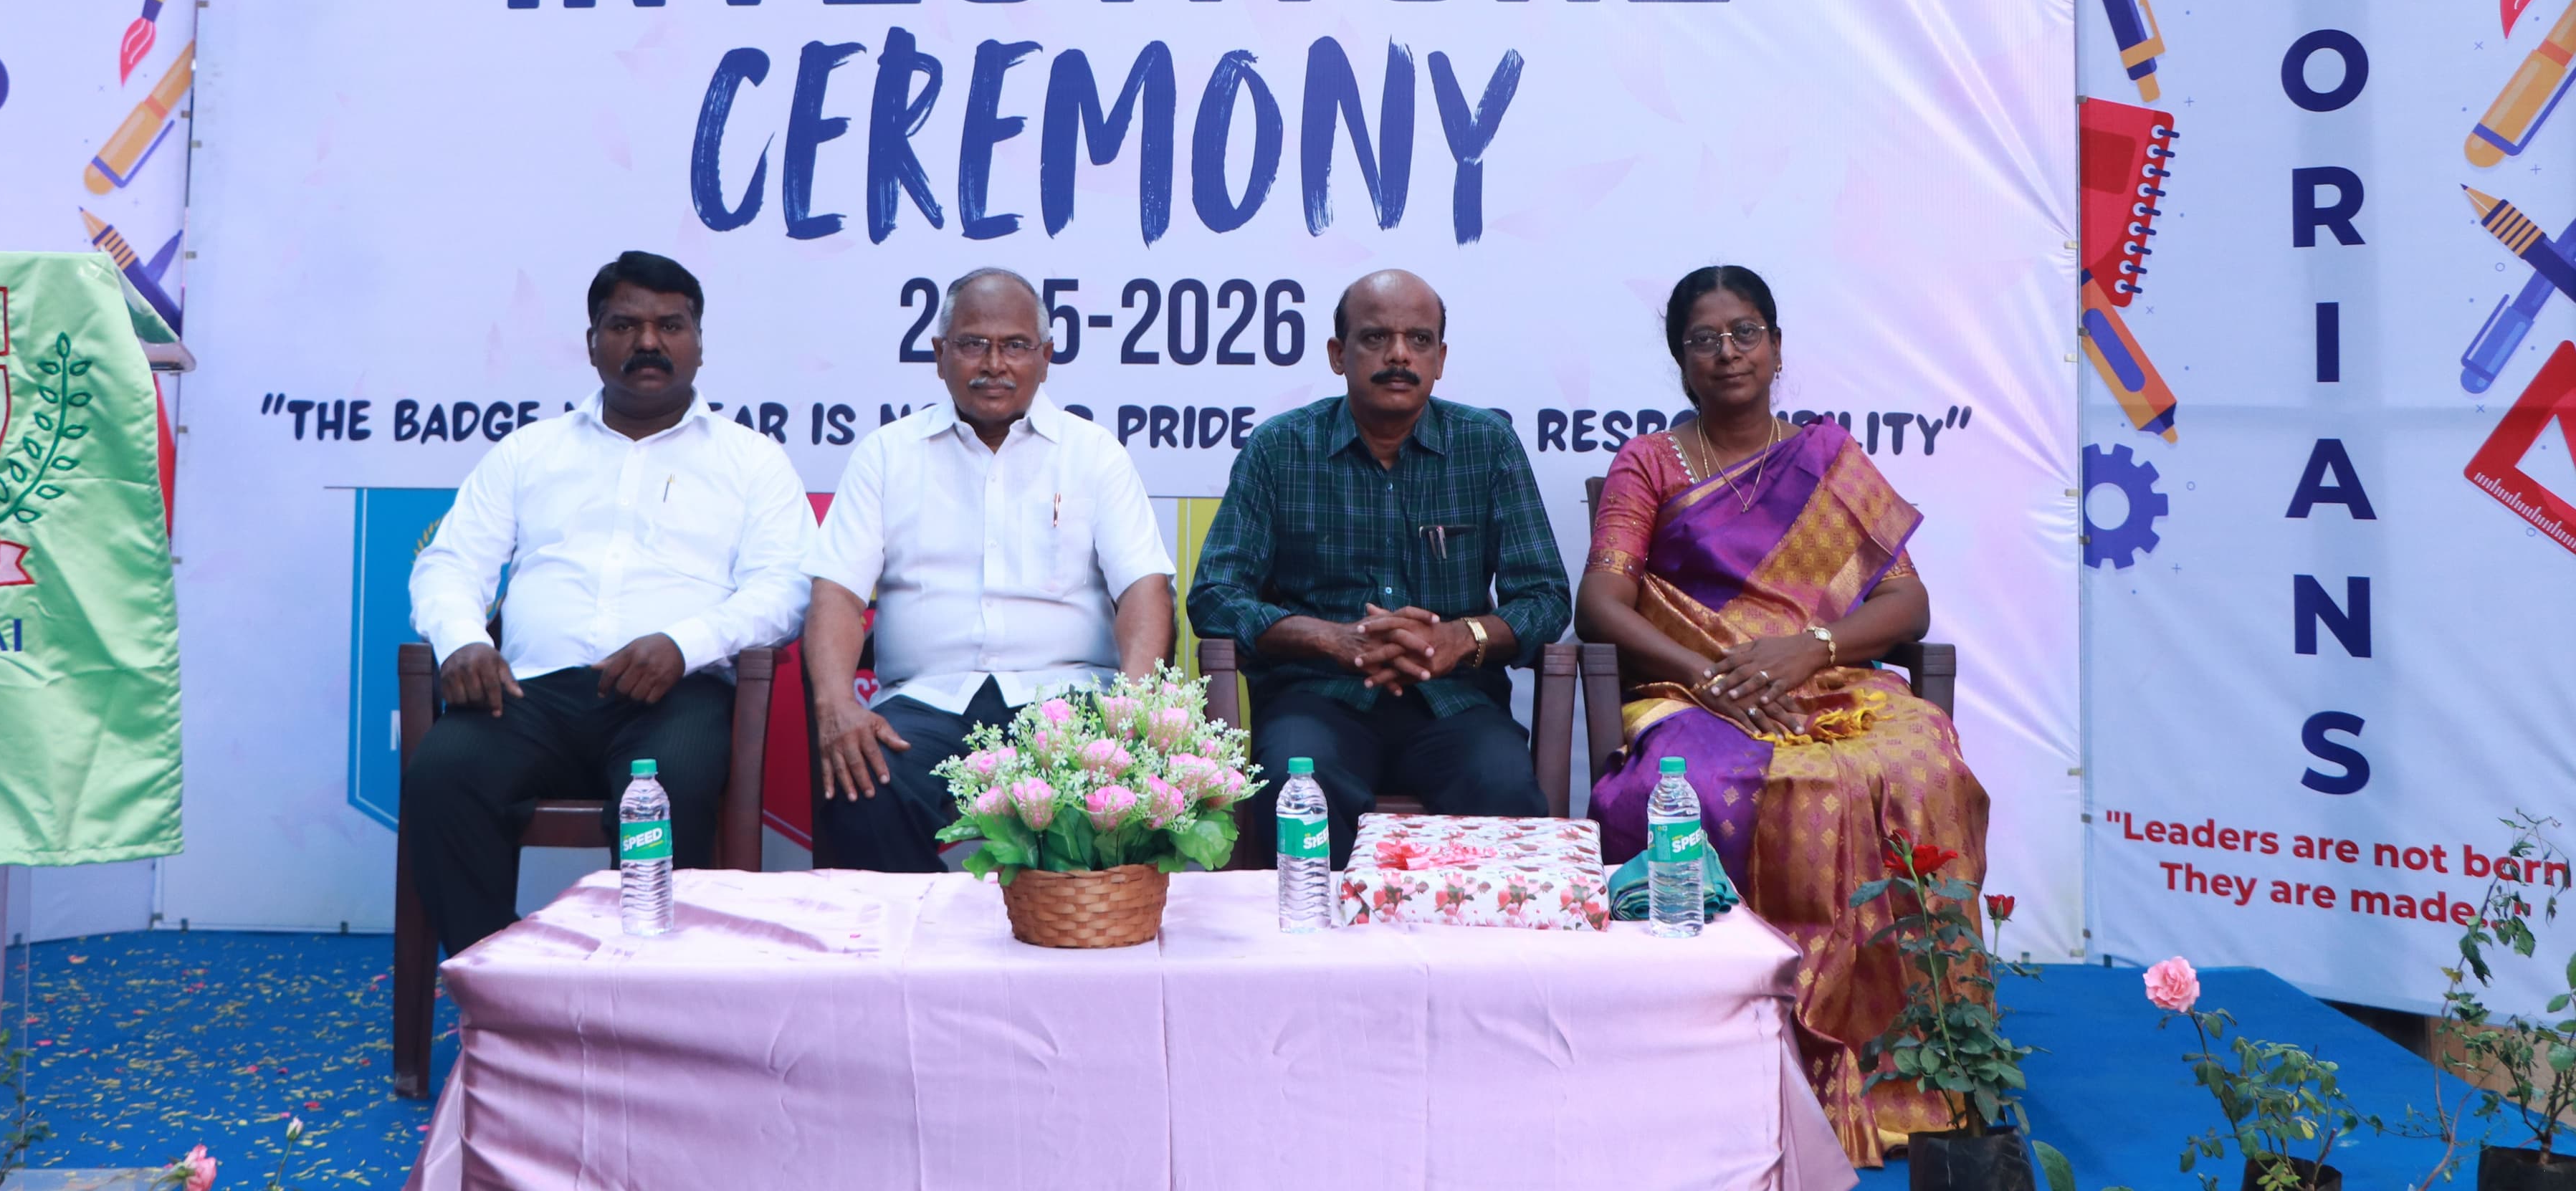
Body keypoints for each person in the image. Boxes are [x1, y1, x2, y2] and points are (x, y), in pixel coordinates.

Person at [1578, 264, 1988, 1166]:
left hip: (1831, 682)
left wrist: (1812, 647)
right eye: (1704, 339)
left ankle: (1907, 1064)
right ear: (1680, 360)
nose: (1727, 352)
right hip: (1695, 689)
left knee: (1923, 765)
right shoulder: (1650, 462)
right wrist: (1710, 674)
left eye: (1745, 333)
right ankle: (1716, 1058)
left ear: (1775, 346)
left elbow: (1908, 605)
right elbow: (1601, 603)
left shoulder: (1829, 458)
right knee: (1704, 782)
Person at [402, 252, 814, 955]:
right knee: (443, 774)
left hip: (675, 698)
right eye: (624, 325)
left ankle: (646, 991)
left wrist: (684, 643)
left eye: (670, 325)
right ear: (592, 343)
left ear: (699, 343)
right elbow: (449, 564)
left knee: (673, 786)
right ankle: (501, 987)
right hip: (528, 696)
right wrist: (464, 640)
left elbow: (785, 588)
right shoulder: (528, 452)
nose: (648, 342)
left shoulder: (752, 461)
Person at [1187, 269, 1570, 866]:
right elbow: (1214, 595)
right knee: (1297, 788)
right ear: (1338, 354)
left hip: (1455, 702)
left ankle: (1469, 934)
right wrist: (1332, 640)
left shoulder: (1487, 445)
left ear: (1440, 359)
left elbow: (1545, 597)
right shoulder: (1279, 449)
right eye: (1375, 338)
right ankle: (1321, 930)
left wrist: (1459, 639)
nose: (1398, 355)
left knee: (1502, 789)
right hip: (1317, 700)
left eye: (1419, 340)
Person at [806, 268, 1178, 871]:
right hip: (926, 703)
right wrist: (835, 704)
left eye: (1015, 345)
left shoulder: (1093, 453)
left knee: (1102, 801)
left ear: (1046, 358)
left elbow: (1145, 588)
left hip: (1068, 704)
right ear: (939, 355)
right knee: (865, 784)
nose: (994, 364)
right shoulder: (886, 455)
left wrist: (1130, 712)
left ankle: (1060, 933)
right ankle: (915, 934)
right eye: (973, 344)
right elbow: (837, 592)